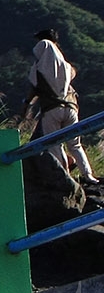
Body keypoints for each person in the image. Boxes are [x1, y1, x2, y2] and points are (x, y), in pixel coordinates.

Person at [22, 27, 98, 183]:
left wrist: (26, 105)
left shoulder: (39, 68)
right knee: (75, 144)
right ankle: (88, 175)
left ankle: (65, 177)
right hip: (71, 108)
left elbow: (34, 89)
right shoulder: (66, 66)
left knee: (54, 144)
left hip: (51, 109)